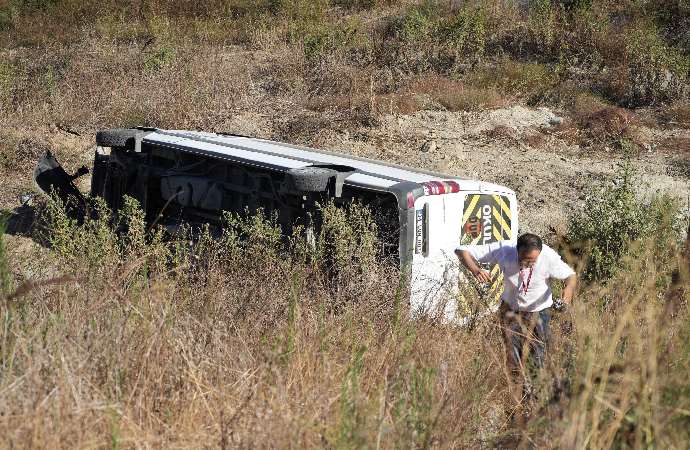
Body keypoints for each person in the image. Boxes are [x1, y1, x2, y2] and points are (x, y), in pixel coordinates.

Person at [455, 233, 577, 395]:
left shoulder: (547, 256)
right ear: (517, 251)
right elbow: (462, 250)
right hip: (510, 311)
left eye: (533, 261)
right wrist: (476, 270)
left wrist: (568, 290)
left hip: (538, 312)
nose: (528, 264)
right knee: (513, 355)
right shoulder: (505, 250)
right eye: (525, 260)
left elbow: (571, 276)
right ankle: (517, 395)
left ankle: (533, 396)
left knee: (537, 355)